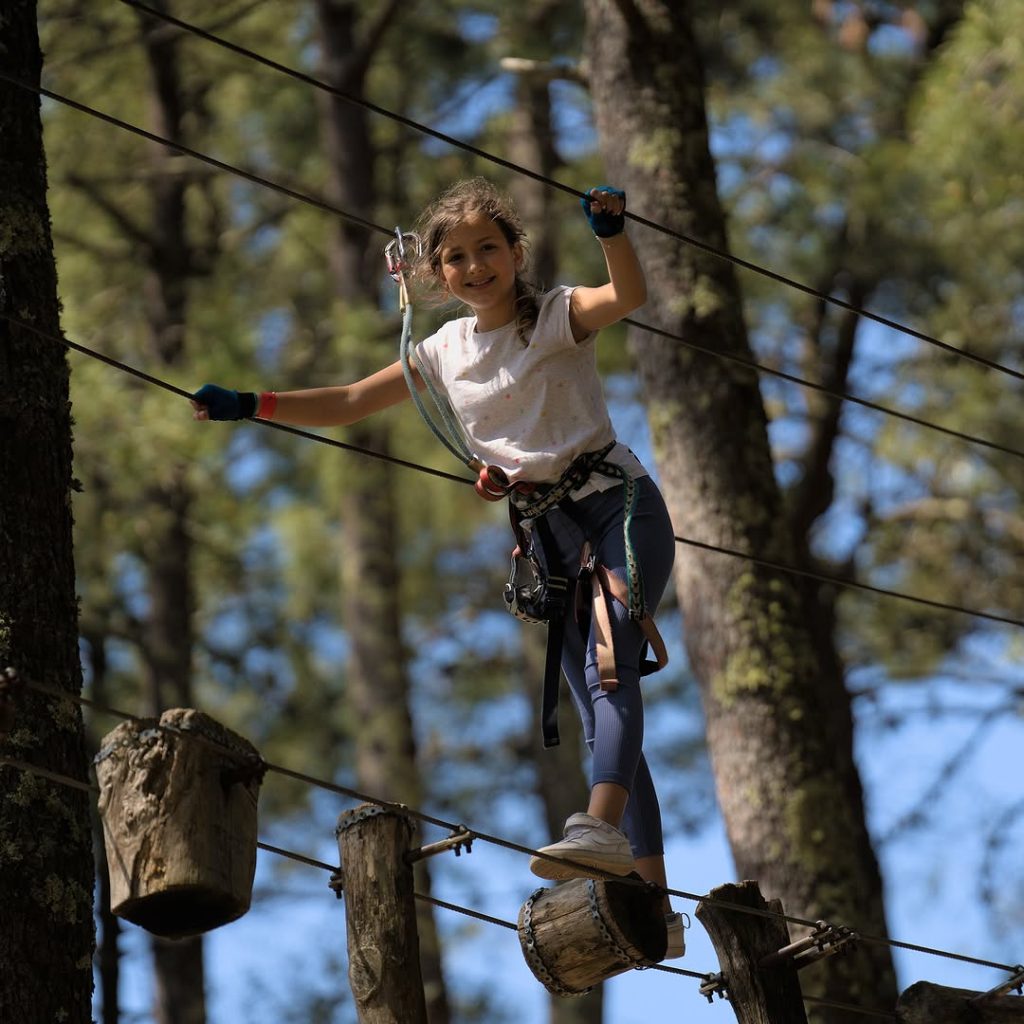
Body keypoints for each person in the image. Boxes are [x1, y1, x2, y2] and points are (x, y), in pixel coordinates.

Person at [192, 178, 683, 958]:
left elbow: (627, 293)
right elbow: (353, 399)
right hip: (545, 534)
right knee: (600, 715)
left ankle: (597, 830)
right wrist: (255, 402)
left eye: (489, 248)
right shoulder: (443, 351)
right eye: (455, 257)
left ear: (517, 253)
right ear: (435, 273)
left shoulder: (555, 315)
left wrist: (611, 233)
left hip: (613, 506)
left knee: (609, 670)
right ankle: (653, 907)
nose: (475, 266)